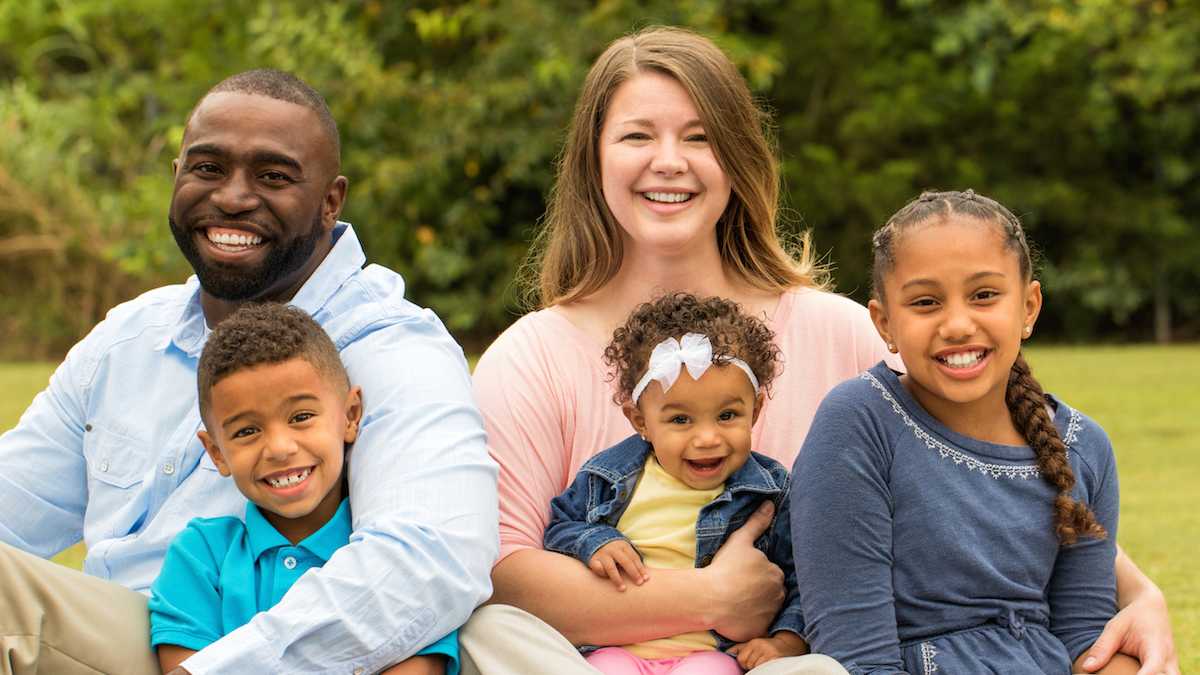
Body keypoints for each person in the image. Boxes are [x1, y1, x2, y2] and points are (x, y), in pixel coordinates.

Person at [463, 26, 1177, 675]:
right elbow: (499, 568)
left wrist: (1138, 592)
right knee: (487, 631)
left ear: (739, 158)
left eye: (701, 137)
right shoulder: (531, 357)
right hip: (596, 664)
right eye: (637, 137)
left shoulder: (839, 331)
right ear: (592, 160)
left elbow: (999, 470)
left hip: (788, 660)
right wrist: (711, 596)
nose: (669, 162)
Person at [0, 69, 497, 675]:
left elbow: (428, 561)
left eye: (273, 176)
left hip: (242, 646)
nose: (233, 197)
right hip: (133, 635)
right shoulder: (128, 339)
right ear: (177, 175)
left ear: (330, 201)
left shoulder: (390, 350)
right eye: (207, 168)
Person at [792, 189, 1139, 674]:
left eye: (983, 295)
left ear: (1029, 308)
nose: (957, 324)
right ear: (884, 323)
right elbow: (857, 657)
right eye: (926, 302)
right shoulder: (859, 422)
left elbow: (1085, 638)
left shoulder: (1083, 445)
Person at [149, 303, 460, 675]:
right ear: (217, 452)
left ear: (350, 416)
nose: (280, 448)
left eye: (301, 417)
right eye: (247, 431)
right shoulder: (201, 558)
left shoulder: (390, 557)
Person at [544, 293, 837, 674]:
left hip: (711, 657)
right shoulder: (608, 478)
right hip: (615, 648)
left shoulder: (770, 491)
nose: (707, 438)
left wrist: (784, 640)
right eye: (681, 420)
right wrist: (595, 542)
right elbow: (559, 528)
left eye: (727, 415)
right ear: (640, 421)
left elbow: (802, 578)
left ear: (756, 410)